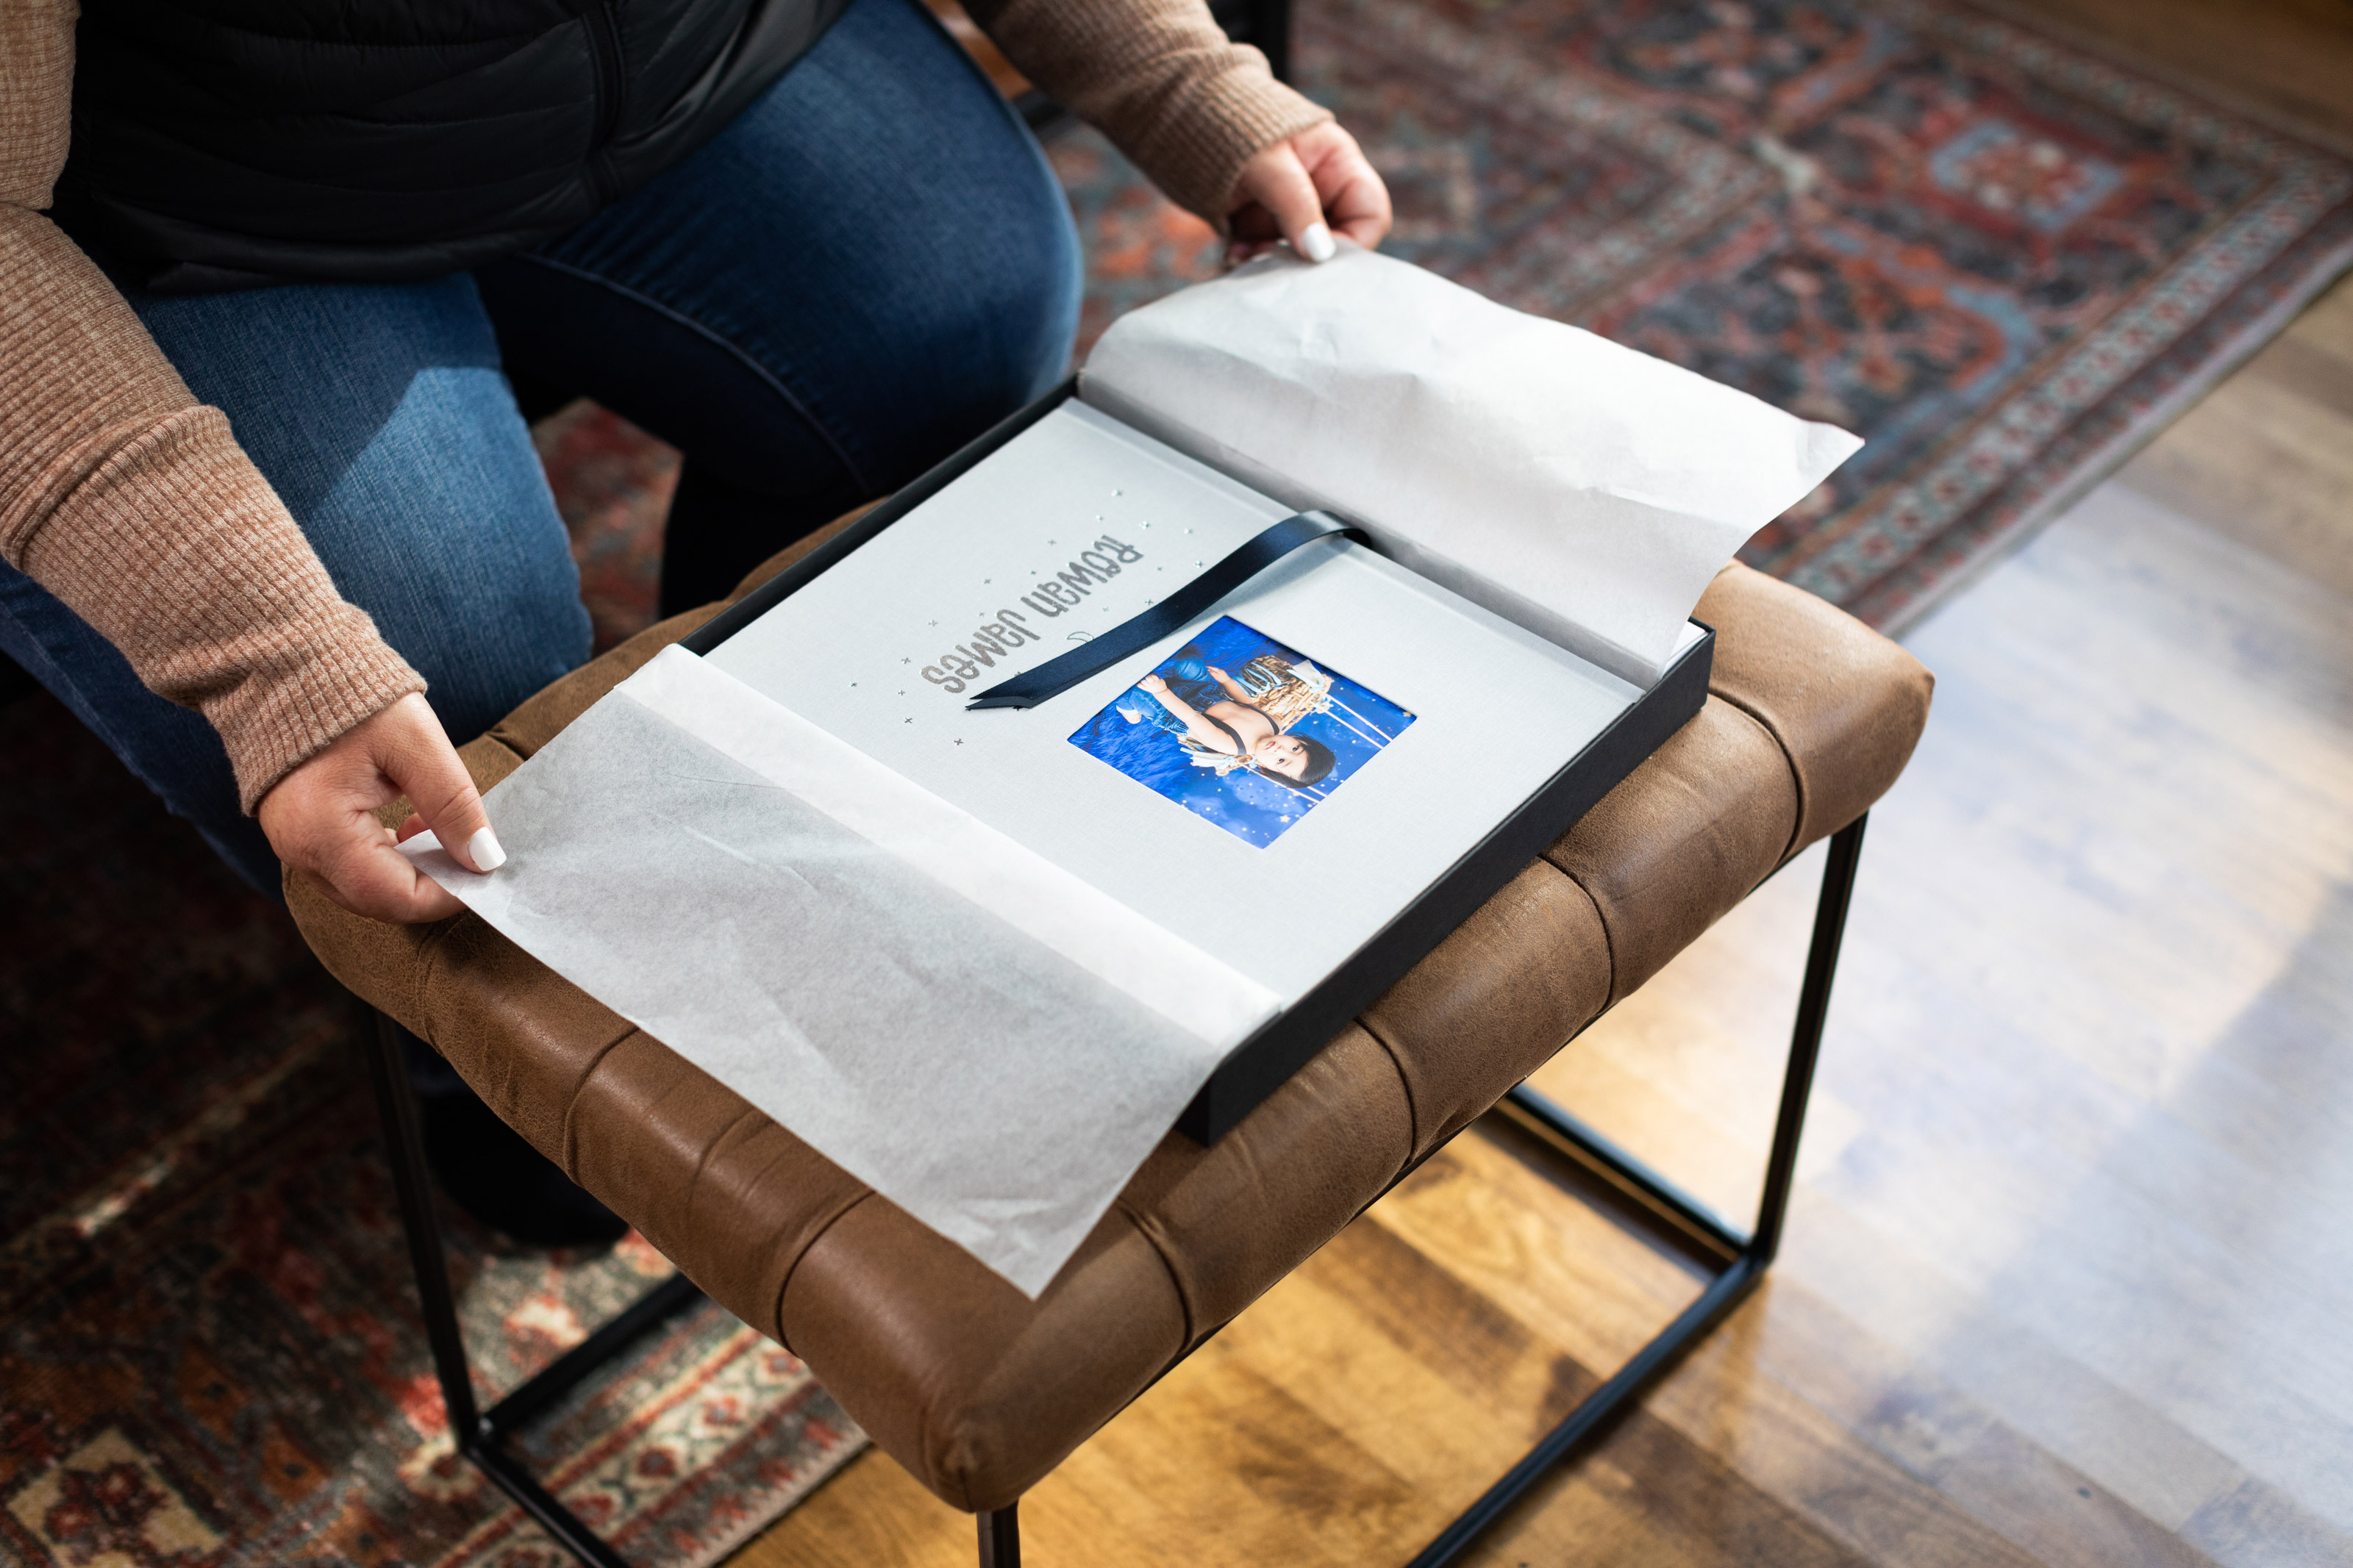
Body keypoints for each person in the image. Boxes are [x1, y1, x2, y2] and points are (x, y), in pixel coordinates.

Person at [1, 0, 1393, 1239]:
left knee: (966, 323)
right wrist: (262, 651)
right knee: (466, 716)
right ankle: (520, 1103)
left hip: (694, 53)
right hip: (183, 200)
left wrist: (1182, 71)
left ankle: (763, 811)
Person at [1120, 664, 1337, 787]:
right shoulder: (1275, 724)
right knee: (1190, 664)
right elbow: (1247, 703)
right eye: (1295, 748)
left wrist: (1161, 692)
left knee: (1133, 692)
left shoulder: (1232, 746)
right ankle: (1171, 681)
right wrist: (1226, 681)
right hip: (1207, 693)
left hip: (1172, 710)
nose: (1281, 750)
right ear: (1300, 739)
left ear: (1264, 768)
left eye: (1281, 761)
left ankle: (1129, 710)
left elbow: (1192, 719)